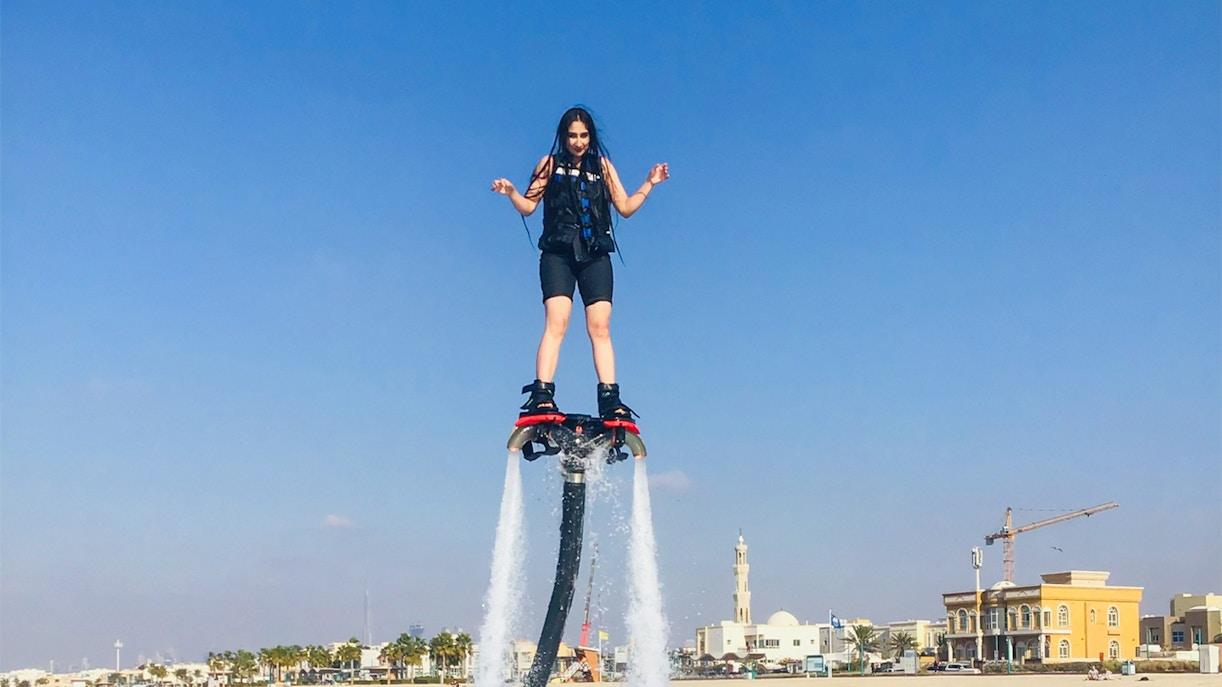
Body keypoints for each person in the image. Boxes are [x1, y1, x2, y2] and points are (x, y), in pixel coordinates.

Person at [492, 107, 668, 420]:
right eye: (572, 135)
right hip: (558, 253)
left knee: (600, 326)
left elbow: (625, 207)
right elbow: (529, 206)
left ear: (591, 136)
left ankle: (609, 397)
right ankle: (543, 393)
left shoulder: (602, 167)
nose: (578, 141)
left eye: (583, 135)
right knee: (557, 321)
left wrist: (650, 183)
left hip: (595, 254)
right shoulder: (549, 165)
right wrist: (511, 193)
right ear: (563, 136)